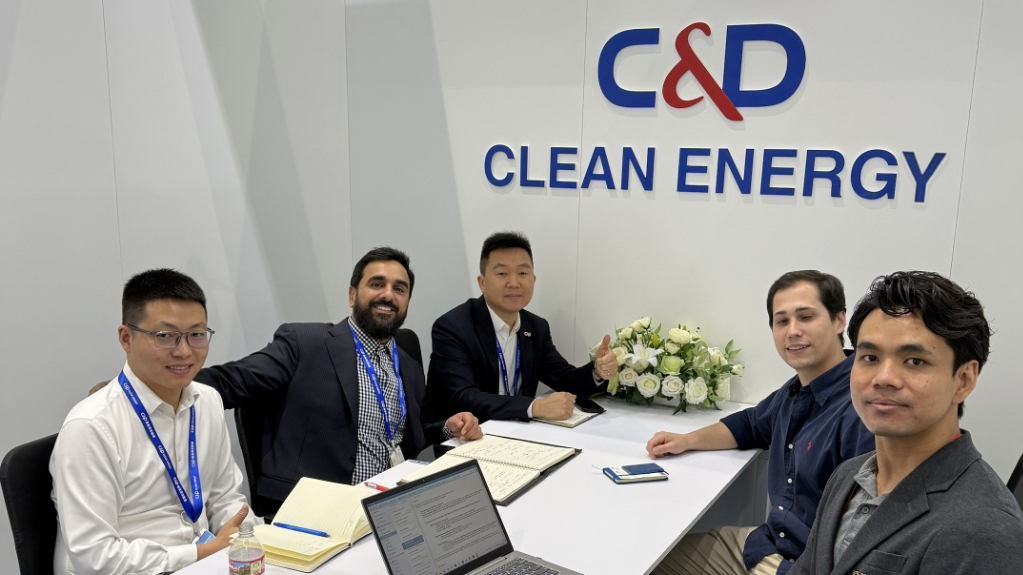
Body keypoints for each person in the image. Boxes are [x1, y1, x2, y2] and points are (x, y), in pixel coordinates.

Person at [194, 247, 482, 514]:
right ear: (352, 296)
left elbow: (407, 435)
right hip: (316, 508)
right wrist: (169, 386)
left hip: (388, 505)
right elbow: (228, 382)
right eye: (377, 284)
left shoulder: (409, 365)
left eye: (399, 289)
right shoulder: (305, 343)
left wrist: (447, 428)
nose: (388, 295)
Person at [790, 271, 1023, 574]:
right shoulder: (847, 476)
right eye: (870, 357)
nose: (883, 378)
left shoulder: (984, 530)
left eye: (915, 361)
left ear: (964, 380)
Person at [645, 271, 875, 575]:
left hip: (806, 566)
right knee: (648, 561)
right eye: (782, 321)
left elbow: (865, 529)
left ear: (839, 321)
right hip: (766, 545)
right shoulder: (794, 392)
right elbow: (750, 424)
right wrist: (686, 440)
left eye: (806, 317)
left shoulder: (862, 407)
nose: (793, 331)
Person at [50, 269, 253, 575]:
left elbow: (225, 498)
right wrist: (200, 553)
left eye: (196, 335)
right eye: (165, 336)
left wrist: (246, 539)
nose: (184, 351)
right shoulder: (90, 427)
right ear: (126, 338)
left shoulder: (207, 401)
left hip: (204, 563)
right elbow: (94, 558)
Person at [423, 231, 618, 423]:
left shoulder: (535, 327)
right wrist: (534, 407)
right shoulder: (453, 327)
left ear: (533, 280)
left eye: (523, 273)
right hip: (461, 435)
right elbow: (464, 396)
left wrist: (597, 371)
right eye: (502, 273)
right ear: (482, 283)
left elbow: (563, 378)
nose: (514, 283)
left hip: (515, 431)